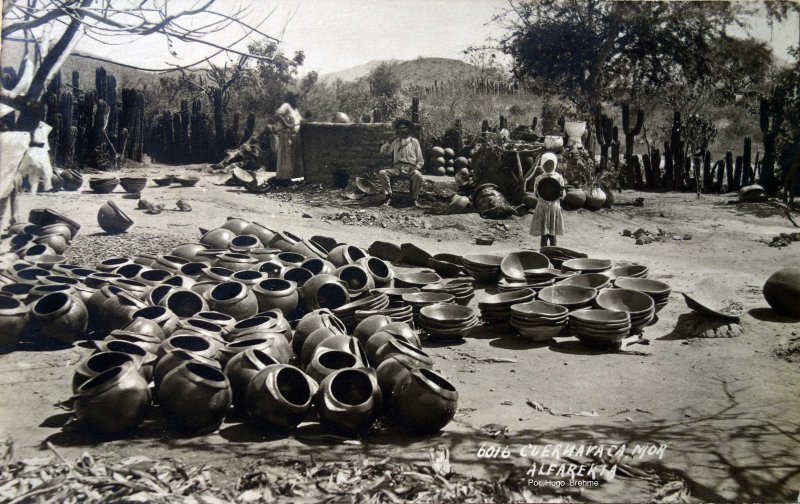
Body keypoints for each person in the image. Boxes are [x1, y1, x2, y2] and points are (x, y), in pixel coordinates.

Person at [379, 118, 424, 207]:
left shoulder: (414, 141)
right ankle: (388, 197)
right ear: (397, 130)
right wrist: (389, 142)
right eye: (400, 128)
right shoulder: (395, 142)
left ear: (408, 129)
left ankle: (414, 199)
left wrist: (416, 167)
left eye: (404, 128)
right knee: (382, 173)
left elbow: (420, 160)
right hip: (397, 168)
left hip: (410, 168)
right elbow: (383, 152)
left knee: (418, 176)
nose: (402, 130)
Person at [529, 152, 565, 247]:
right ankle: (543, 252)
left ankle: (553, 252)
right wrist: (539, 193)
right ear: (542, 164)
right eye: (546, 164)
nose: (548, 166)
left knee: (553, 234)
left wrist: (561, 193)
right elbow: (536, 194)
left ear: (555, 164)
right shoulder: (539, 178)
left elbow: (562, 195)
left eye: (551, 163)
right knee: (543, 233)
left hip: (554, 206)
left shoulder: (558, 177)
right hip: (542, 206)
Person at [274, 92, 303, 183]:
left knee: (291, 158)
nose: (295, 99)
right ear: (290, 98)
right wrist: (286, 124)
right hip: (286, 134)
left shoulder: (295, 110)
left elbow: (300, 120)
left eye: (296, 98)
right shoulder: (286, 106)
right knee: (285, 157)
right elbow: (277, 114)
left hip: (294, 135)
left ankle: (290, 178)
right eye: (294, 97)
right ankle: (283, 179)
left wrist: (308, 120)